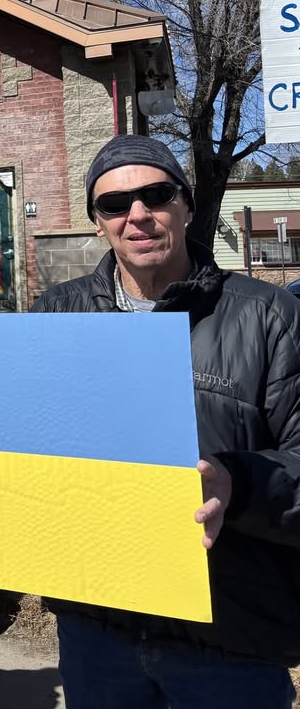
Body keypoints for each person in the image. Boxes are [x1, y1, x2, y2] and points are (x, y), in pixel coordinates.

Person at [31, 134, 300, 708]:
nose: (137, 215)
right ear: (96, 221)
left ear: (185, 203)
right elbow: (7, 441)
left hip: (229, 637)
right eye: (114, 204)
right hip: (97, 630)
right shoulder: (56, 314)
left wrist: (240, 482)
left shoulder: (270, 316)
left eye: (155, 194)